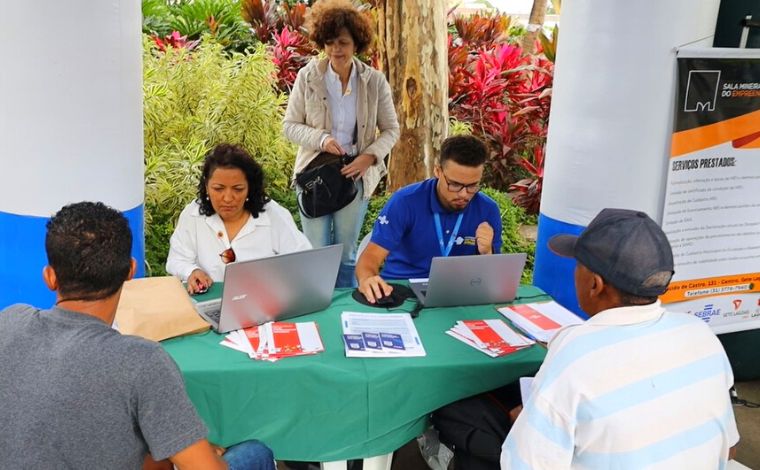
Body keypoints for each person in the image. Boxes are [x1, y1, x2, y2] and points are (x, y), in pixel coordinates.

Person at [0, 201, 275, 469]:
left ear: (49, 277)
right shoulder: (142, 361)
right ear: (131, 271)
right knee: (254, 453)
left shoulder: (9, 322)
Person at [501, 208, 740, 469]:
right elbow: (730, 449)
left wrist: (530, 419)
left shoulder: (575, 353)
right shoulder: (700, 333)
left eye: (578, 265)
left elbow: (524, 465)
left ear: (595, 284)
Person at [283, 0, 400, 288]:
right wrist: (321, 139)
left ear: (356, 43)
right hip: (315, 174)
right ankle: (318, 309)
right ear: (322, 42)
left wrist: (369, 157)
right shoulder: (307, 77)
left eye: (344, 42)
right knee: (316, 253)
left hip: (355, 174)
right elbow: (289, 126)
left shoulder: (374, 81)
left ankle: (345, 313)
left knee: (347, 255)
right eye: (331, 42)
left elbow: (391, 130)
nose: (337, 49)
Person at [356, 135, 502, 303]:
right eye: (454, 184)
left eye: (472, 186)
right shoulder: (405, 201)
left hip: (458, 296)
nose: (463, 194)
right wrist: (368, 279)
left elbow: (493, 281)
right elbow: (370, 259)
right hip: (402, 292)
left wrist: (487, 253)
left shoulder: (487, 210)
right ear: (437, 171)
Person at [166, 144, 311, 294]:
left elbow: (303, 260)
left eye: (238, 189)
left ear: (250, 188)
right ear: (206, 187)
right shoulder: (193, 215)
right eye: (218, 188)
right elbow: (177, 260)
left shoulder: (272, 215)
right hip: (207, 305)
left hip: (263, 304)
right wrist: (192, 271)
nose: (228, 198)